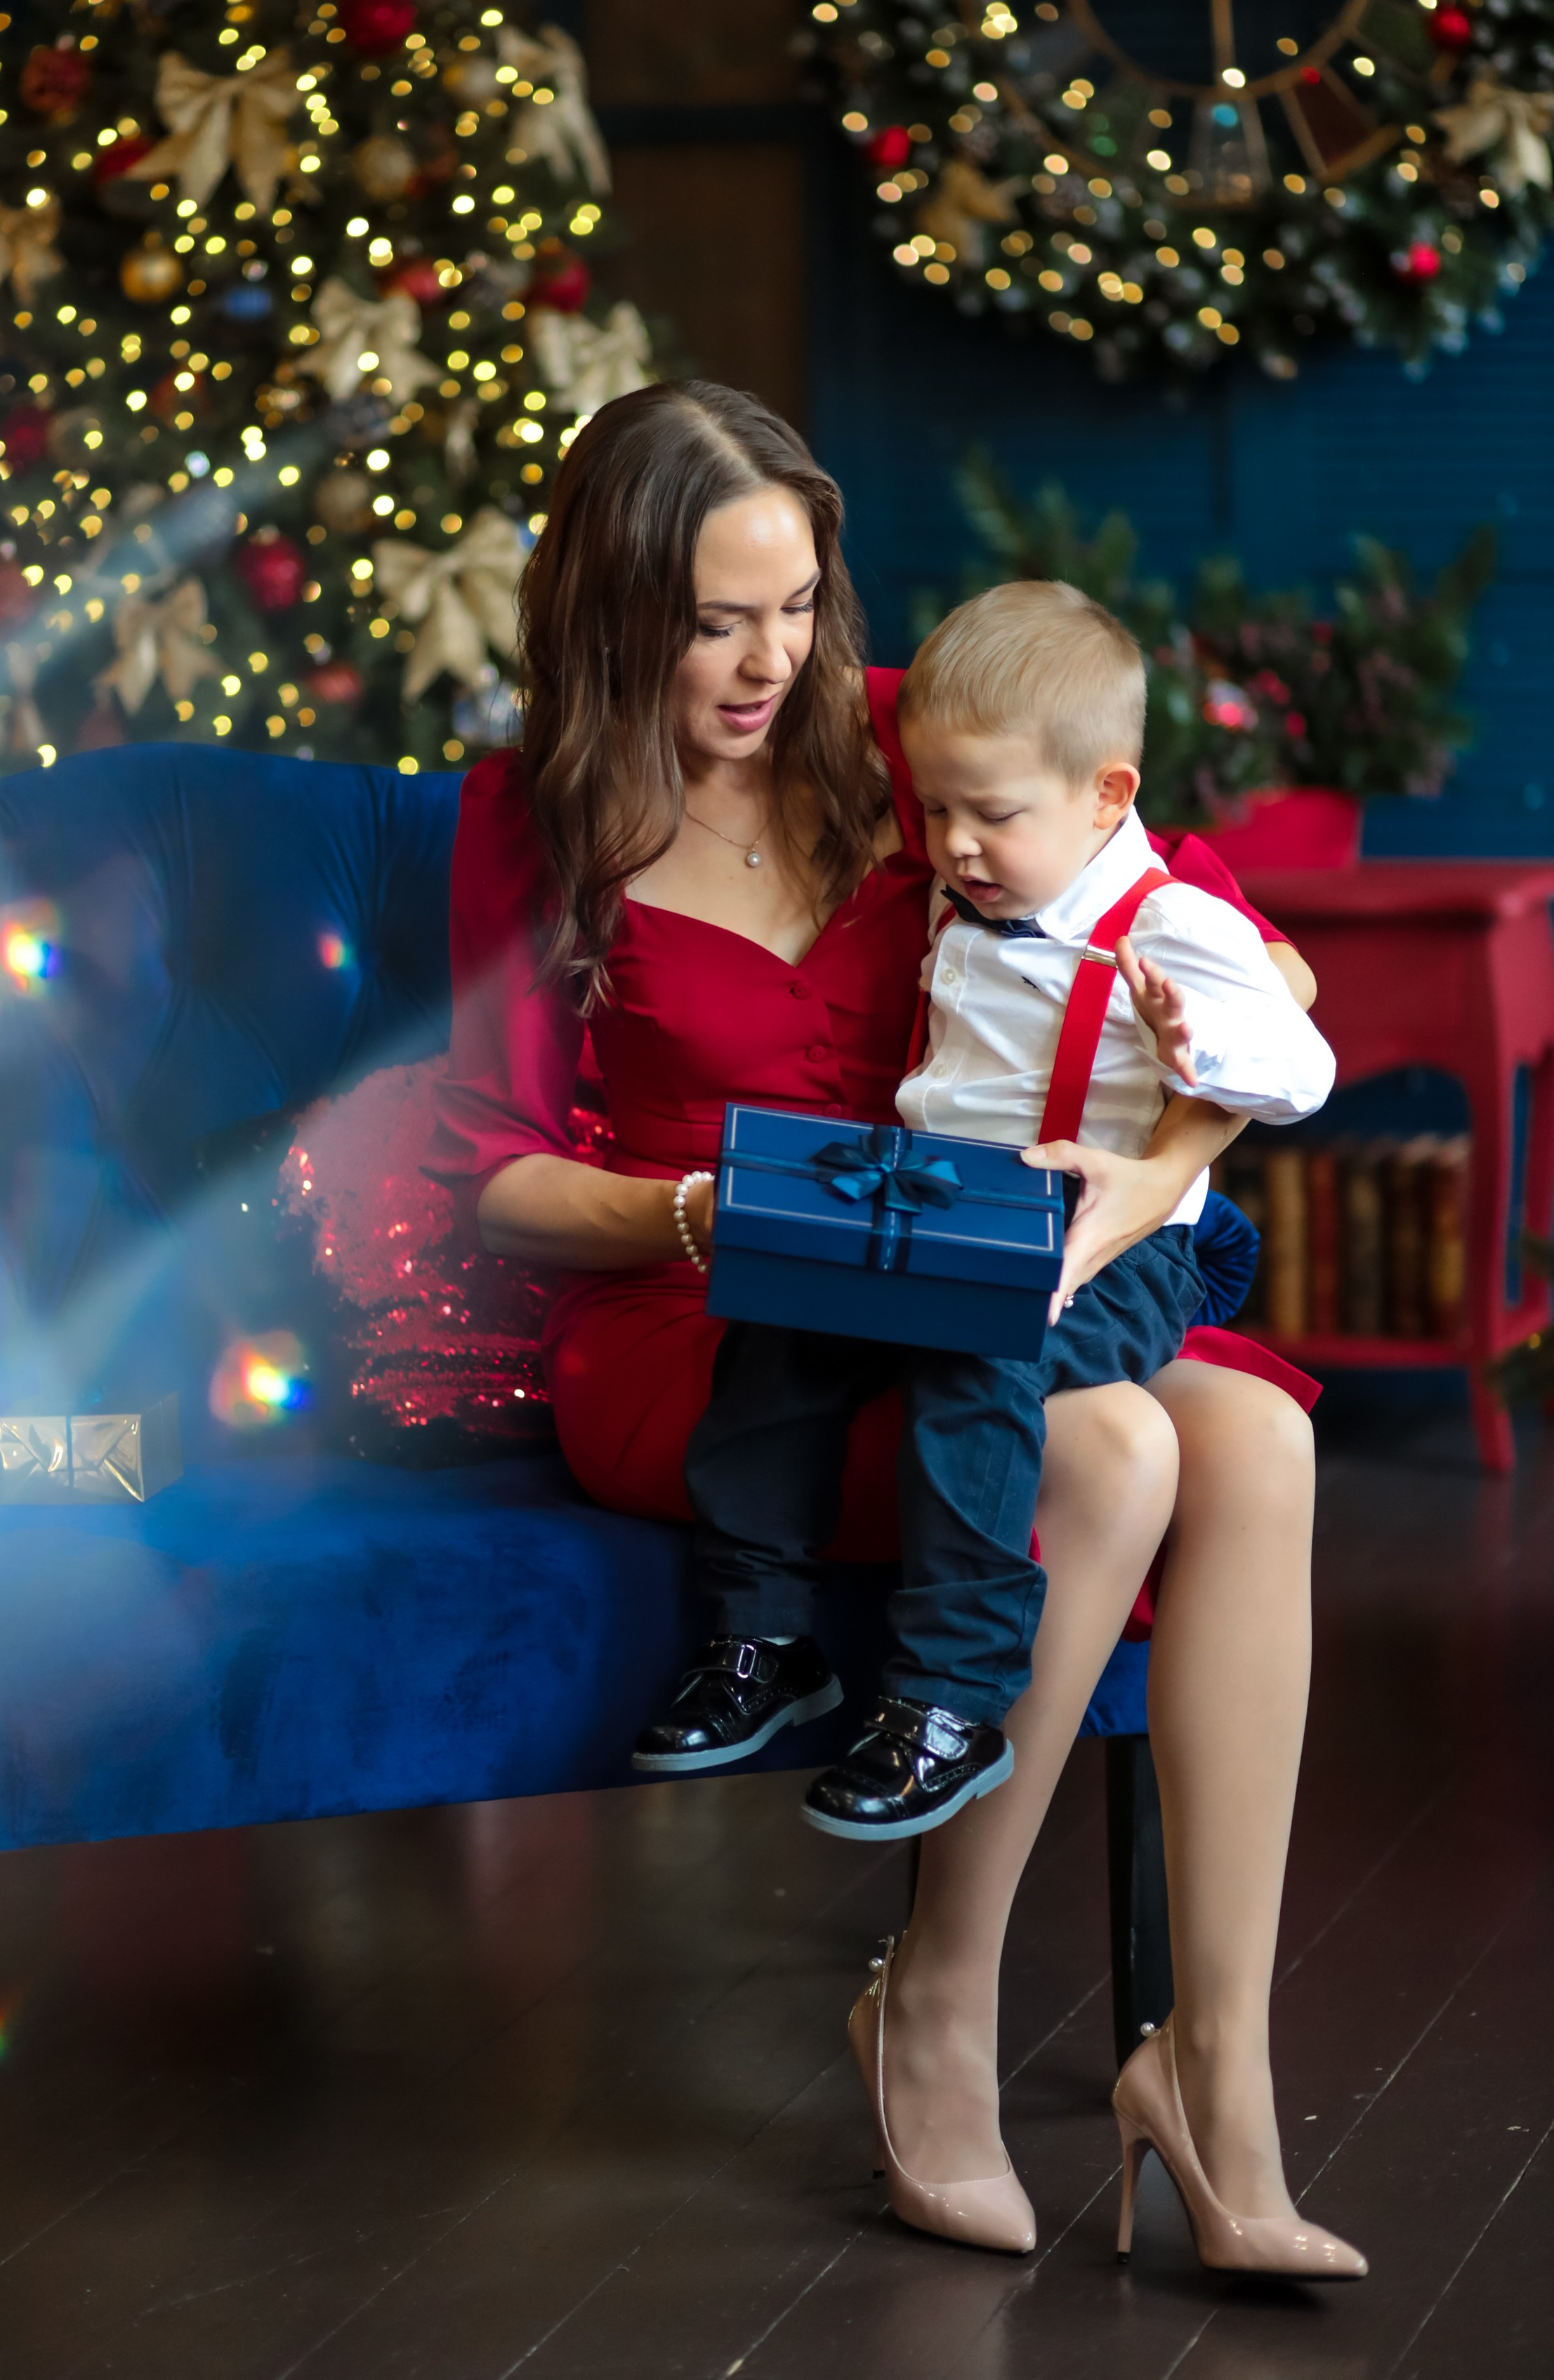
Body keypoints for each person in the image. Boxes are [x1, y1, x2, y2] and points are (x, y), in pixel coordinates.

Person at [428, 380, 1363, 2277]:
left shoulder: (902, 744)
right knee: (1111, 1444)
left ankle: (1218, 2075)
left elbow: (1231, 947)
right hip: (710, 1298)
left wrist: (1153, 1167)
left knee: (1260, 1440)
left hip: (985, 1256)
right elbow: (489, 1174)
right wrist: (716, 1210)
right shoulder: (529, 822)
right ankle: (936, 2002)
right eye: (712, 622)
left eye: (795, 605)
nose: (771, 661)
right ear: (618, 614)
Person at [640, 580, 1336, 1854]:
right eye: (940, 809)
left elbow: (1304, 1071)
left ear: (1108, 798)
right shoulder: (986, 884)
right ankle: (762, 1633)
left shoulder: (1171, 921)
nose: (953, 843)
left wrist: (1206, 1044)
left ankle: (949, 1702)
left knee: (973, 1362)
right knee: (780, 1327)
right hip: (951, 1217)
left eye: (991, 816)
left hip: (1109, 1253)